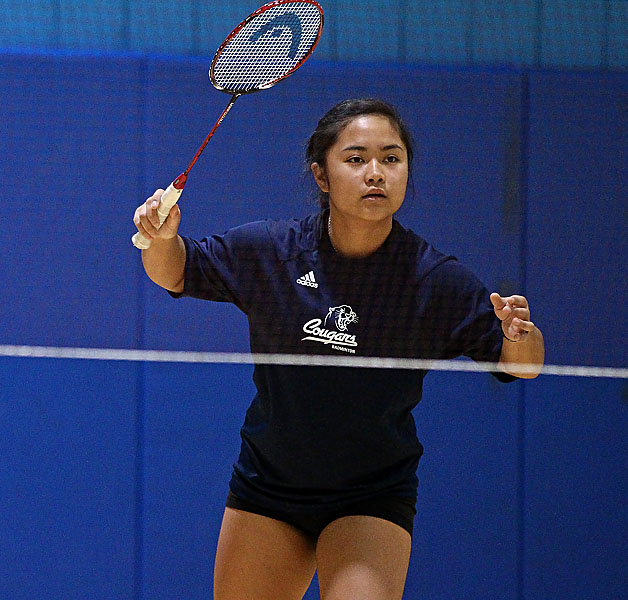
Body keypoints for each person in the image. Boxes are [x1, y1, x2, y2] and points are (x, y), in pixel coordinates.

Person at [133, 98, 545, 600]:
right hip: (269, 485)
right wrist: (159, 238)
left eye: (391, 159)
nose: (376, 173)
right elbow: (175, 270)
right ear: (322, 177)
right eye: (355, 159)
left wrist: (520, 335)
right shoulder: (272, 252)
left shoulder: (432, 280)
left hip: (371, 495)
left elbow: (521, 367)